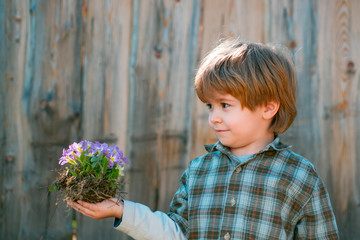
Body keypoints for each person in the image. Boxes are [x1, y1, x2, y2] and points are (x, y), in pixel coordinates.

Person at [68, 39, 339, 239]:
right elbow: (175, 233)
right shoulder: (199, 171)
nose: (214, 117)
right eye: (210, 106)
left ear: (268, 107)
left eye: (225, 105)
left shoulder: (300, 176)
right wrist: (121, 211)